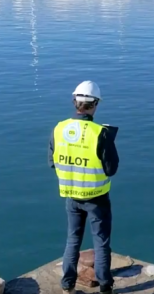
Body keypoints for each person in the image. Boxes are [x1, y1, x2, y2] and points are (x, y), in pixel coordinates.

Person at [48, 81, 119, 294]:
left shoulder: (59, 129)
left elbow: (53, 162)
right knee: (101, 243)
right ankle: (105, 286)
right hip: (97, 197)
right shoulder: (101, 133)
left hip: (71, 196)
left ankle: (67, 285)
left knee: (73, 240)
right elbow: (111, 169)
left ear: (74, 102)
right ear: (95, 104)